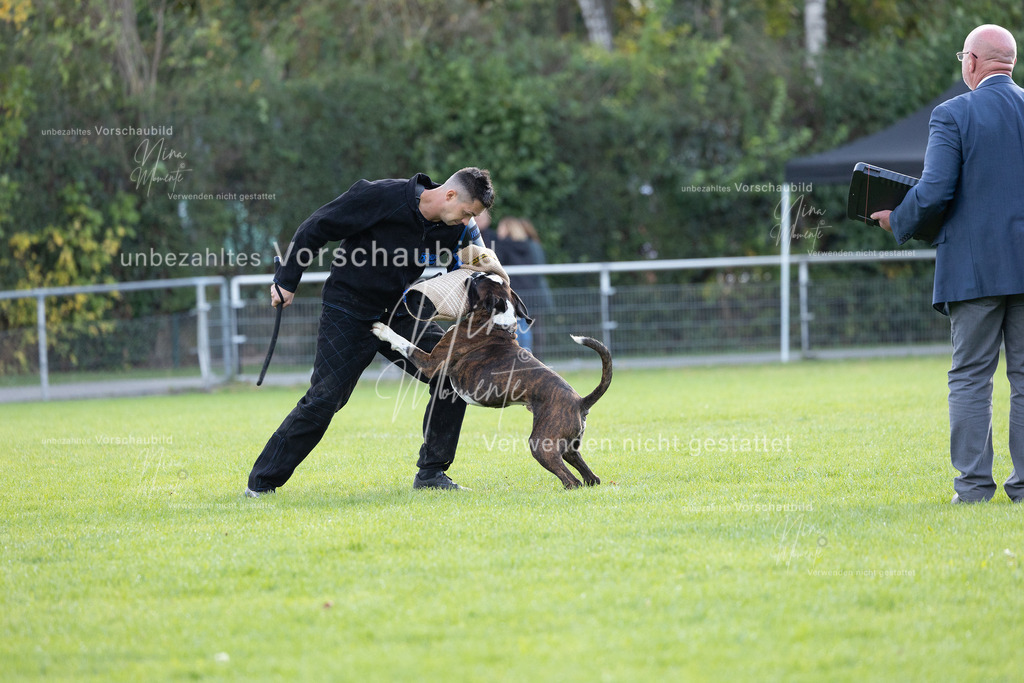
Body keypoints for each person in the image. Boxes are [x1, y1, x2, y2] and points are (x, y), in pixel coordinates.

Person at [245, 167, 494, 495]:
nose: (467, 222)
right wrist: (287, 280)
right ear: (449, 195)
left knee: (453, 371)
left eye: (471, 216)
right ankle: (261, 484)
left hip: (399, 312)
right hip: (348, 308)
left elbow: (481, 274)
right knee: (325, 398)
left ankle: (432, 474)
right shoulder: (380, 196)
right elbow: (317, 226)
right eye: (466, 213)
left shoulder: (460, 229)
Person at [871, 24, 1024, 504]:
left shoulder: (953, 114)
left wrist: (899, 219)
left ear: (973, 62)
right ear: (1011, 64)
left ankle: (975, 487)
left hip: (974, 270)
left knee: (972, 377)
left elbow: (935, 190)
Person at [492, 216, 553, 355]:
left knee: (519, 329)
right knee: (535, 331)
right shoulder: (530, 246)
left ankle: (521, 359)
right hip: (533, 294)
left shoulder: (503, 246)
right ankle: (535, 360)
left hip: (515, 294)